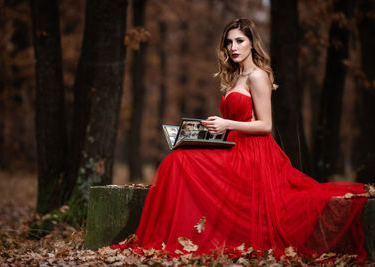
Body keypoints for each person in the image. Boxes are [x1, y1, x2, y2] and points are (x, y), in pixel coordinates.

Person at [116, 18, 368, 261]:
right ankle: (172, 235)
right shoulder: (236, 76)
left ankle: (180, 238)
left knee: (179, 162)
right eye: (229, 42)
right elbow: (238, 121)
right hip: (233, 145)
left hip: (253, 152)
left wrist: (227, 123)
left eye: (239, 41)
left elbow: (265, 125)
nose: (233, 47)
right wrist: (211, 130)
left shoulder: (258, 76)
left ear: (251, 43)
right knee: (176, 159)